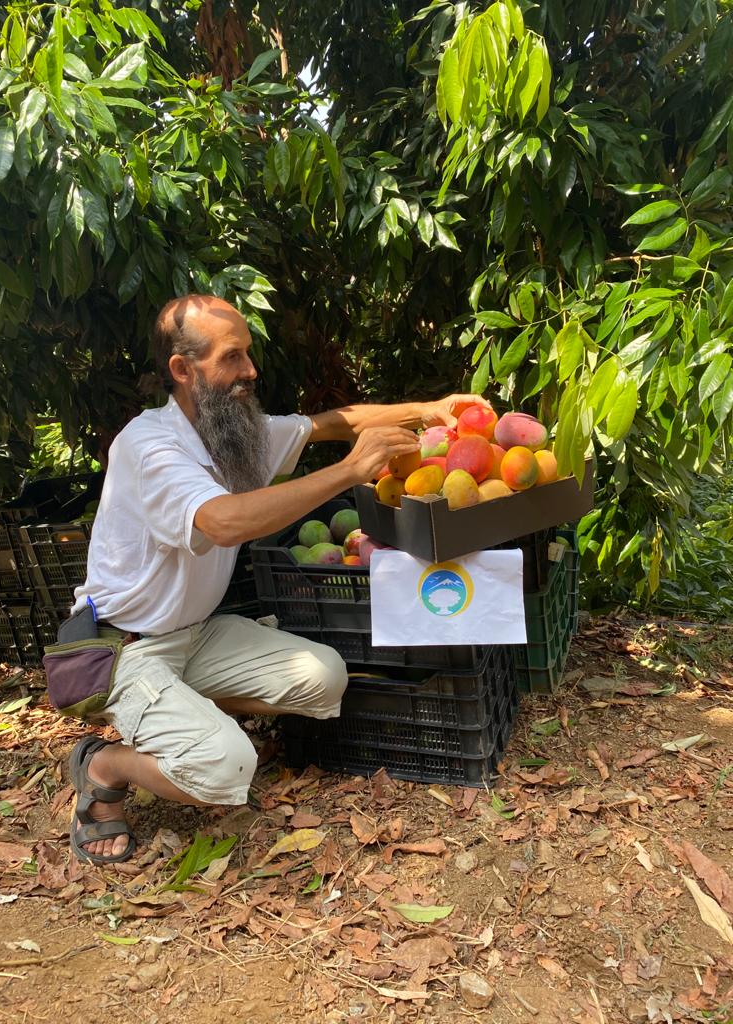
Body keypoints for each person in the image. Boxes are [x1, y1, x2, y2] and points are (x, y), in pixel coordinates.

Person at [68, 294, 485, 864]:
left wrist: (430, 409)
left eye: (248, 354)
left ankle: (186, 715)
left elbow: (333, 423)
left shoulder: (231, 432)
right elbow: (223, 521)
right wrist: (350, 471)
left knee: (324, 677)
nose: (251, 370)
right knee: (224, 767)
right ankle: (102, 765)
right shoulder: (151, 447)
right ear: (183, 370)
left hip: (196, 633)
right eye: (232, 357)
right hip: (128, 647)